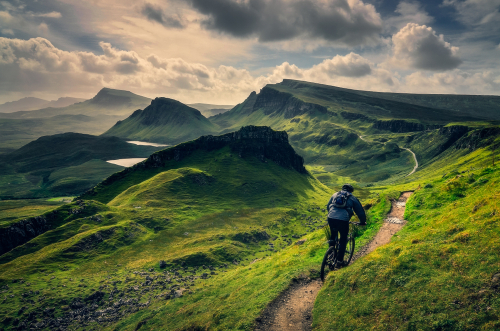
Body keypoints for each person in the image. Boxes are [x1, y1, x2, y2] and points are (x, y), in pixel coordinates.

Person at [326, 184, 366, 267]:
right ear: (351, 191)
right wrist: (362, 222)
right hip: (343, 220)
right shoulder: (352, 198)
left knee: (333, 235)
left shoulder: (335, 194)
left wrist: (333, 214)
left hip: (331, 217)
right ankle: (340, 261)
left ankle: (330, 254)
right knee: (343, 239)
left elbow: (328, 206)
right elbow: (360, 212)